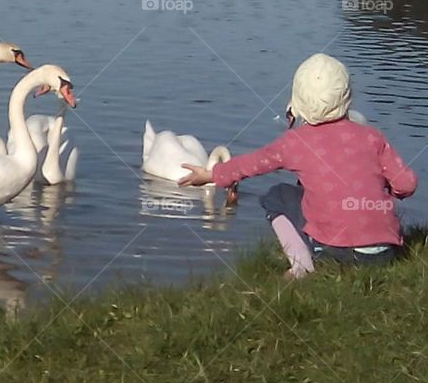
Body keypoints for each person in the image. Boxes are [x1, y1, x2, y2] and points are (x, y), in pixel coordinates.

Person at [179, 53, 417, 278]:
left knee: (276, 195)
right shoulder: (372, 136)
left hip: (332, 251)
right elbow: (407, 184)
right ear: (348, 96)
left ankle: (301, 265)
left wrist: (211, 175)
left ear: (298, 101)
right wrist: (385, 192)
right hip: (383, 253)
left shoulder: (296, 142)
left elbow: (251, 164)